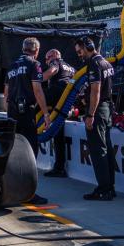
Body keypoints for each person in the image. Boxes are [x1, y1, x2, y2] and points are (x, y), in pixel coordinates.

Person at [75, 36, 116, 201]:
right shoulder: (105, 62)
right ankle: (109, 187)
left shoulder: (93, 63)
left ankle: (104, 189)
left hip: (98, 111)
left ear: (88, 47)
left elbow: (95, 91)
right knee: (107, 149)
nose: (79, 55)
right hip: (106, 109)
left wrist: (90, 114)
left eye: (80, 51)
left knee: (98, 151)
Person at [4, 37, 50, 156]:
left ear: (23, 49)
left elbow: (6, 94)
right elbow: (37, 90)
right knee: (30, 145)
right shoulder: (34, 64)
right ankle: (30, 171)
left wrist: (8, 111)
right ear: (36, 50)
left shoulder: (11, 65)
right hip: (26, 111)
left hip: (12, 111)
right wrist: (45, 113)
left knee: (14, 144)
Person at [42, 49, 75, 177]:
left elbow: (52, 71)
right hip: (65, 100)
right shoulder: (71, 68)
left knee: (33, 94)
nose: (46, 61)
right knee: (58, 133)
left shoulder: (56, 61)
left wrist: (36, 80)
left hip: (55, 94)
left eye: (47, 59)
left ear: (54, 56)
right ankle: (59, 167)